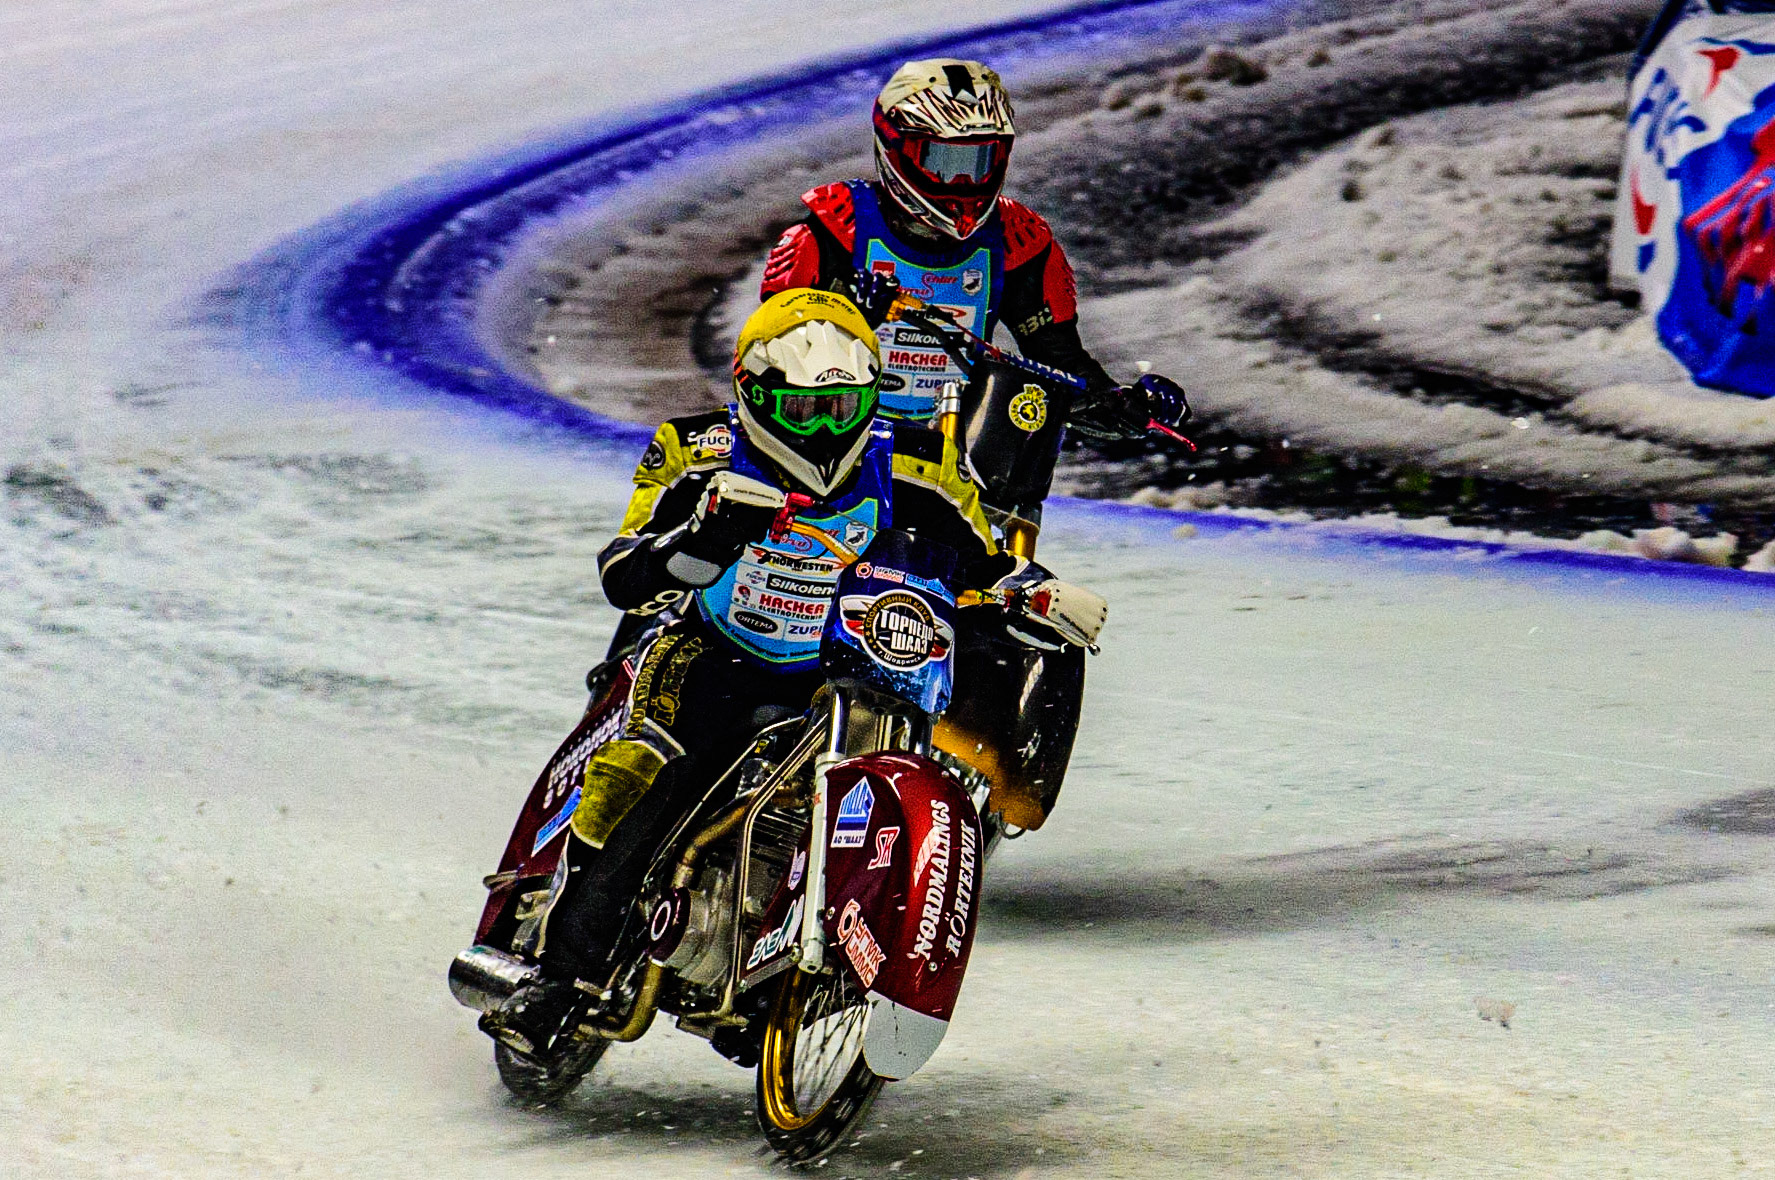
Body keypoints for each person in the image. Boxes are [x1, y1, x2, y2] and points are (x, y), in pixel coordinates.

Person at [483, 289, 1105, 1063]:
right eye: (802, 410)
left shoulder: (917, 465)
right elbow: (623, 571)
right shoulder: (693, 452)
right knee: (644, 779)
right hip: (712, 656)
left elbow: (977, 557)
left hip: (853, 668)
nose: (823, 429)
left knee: (913, 758)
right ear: (752, 394)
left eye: (843, 407)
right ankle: (558, 978)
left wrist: (1036, 590)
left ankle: (797, 960)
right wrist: (702, 536)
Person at [760, 57, 1189, 445]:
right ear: (896, 148)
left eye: (978, 162)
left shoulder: (1020, 241)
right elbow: (764, 358)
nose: (962, 184)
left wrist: (1125, 404)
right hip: (826, 443)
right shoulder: (832, 232)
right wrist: (843, 317)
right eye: (943, 162)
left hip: (953, 454)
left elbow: (1059, 361)